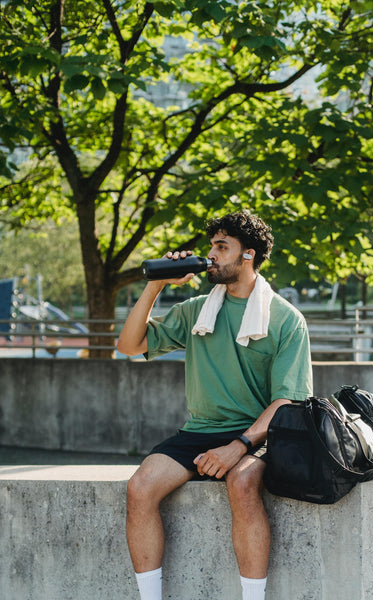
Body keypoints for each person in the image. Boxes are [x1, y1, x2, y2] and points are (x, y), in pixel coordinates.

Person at [117, 210, 313, 600]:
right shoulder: (197, 309)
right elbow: (129, 346)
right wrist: (155, 286)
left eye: (222, 247)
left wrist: (238, 445)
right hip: (200, 433)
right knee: (140, 487)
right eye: (211, 246)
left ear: (248, 255)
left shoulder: (286, 319)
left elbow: (288, 401)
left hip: (260, 433)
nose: (211, 255)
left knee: (241, 482)